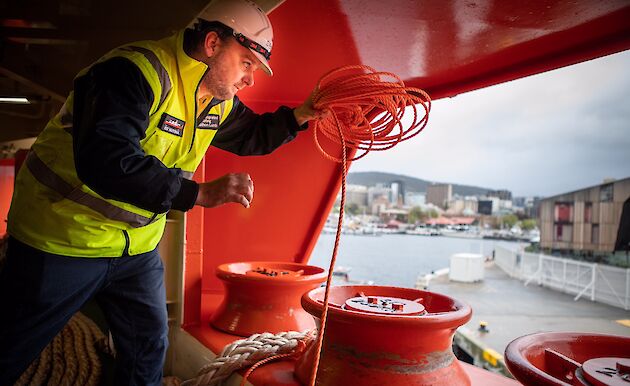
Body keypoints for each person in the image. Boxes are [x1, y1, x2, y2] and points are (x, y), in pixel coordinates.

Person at [0, 0, 323, 384]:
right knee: (12, 348)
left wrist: (301, 115)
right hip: (59, 240)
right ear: (213, 43)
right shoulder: (131, 73)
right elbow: (108, 161)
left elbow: (253, 134)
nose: (250, 79)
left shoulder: (215, 100)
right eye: (247, 63)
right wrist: (199, 194)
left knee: (147, 346)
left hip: (134, 249)